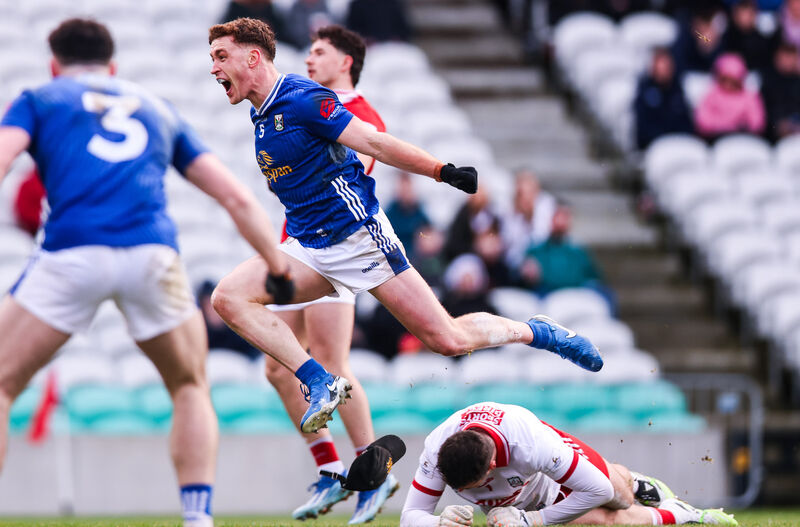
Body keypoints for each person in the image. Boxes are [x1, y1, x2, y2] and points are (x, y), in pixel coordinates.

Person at [206, 16, 603, 437]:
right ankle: (319, 381)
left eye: (220, 56)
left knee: (448, 340)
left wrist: (440, 170)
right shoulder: (262, 116)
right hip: (310, 248)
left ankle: (536, 331)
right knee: (228, 297)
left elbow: (374, 142)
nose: (213, 68)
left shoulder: (302, 99)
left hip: (359, 238)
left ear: (252, 57)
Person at [0, 18, 299, 527]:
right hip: (151, 256)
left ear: (55, 64)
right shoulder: (156, 107)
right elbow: (232, 195)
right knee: (188, 385)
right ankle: (198, 517)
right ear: (113, 66)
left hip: (73, 253)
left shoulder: (40, 98)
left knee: (3, 385)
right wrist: (277, 268)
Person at [261, 25, 396, 524]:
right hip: (294, 249)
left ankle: (373, 472)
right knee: (279, 368)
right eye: (310, 51)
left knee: (332, 365)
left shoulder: (359, 115)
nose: (310, 58)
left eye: (321, 52)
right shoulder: (300, 103)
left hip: (332, 250)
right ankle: (333, 472)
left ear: (347, 61)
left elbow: (354, 172)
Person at [400, 401, 738, 526]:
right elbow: (409, 516)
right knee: (605, 522)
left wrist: (533, 520)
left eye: (466, 489)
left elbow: (597, 490)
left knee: (617, 495)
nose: (458, 494)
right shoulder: (435, 450)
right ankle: (686, 516)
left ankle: (637, 484)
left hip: (546, 474)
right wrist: (438, 524)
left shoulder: (531, 445)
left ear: (491, 468)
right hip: (512, 506)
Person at [519, 202, 606, 298]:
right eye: (557, 216)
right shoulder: (535, 252)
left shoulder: (578, 252)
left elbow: (594, 278)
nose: (560, 222)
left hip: (575, 298)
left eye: (565, 216)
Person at [694, 52, 766, 141]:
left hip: (742, 139)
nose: (728, 85)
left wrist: (739, 127)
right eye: (725, 80)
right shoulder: (712, 94)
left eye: (733, 81)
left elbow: (757, 123)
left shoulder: (749, 96)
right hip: (715, 140)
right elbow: (702, 122)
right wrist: (728, 125)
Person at [633, 47, 695, 150]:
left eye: (667, 64)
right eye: (661, 64)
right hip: (653, 144)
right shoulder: (644, 91)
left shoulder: (677, 90)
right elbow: (643, 127)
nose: (665, 68)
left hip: (678, 142)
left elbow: (686, 122)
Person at [500, 169, 556, 271]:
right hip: (515, 263)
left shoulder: (546, 204)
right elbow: (507, 242)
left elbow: (541, 237)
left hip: (543, 259)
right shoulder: (509, 208)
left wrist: (530, 215)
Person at [760, 42, 800, 142]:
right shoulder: (766, 80)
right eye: (785, 56)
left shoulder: (798, 81)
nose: (788, 60)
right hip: (772, 134)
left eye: (791, 56)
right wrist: (778, 125)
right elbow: (763, 111)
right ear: (777, 58)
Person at [722, 0, 771, 71]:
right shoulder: (726, 37)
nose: (745, 18)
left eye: (749, 14)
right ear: (735, 15)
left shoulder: (763, 40)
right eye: (742, 14)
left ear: (755, 15)